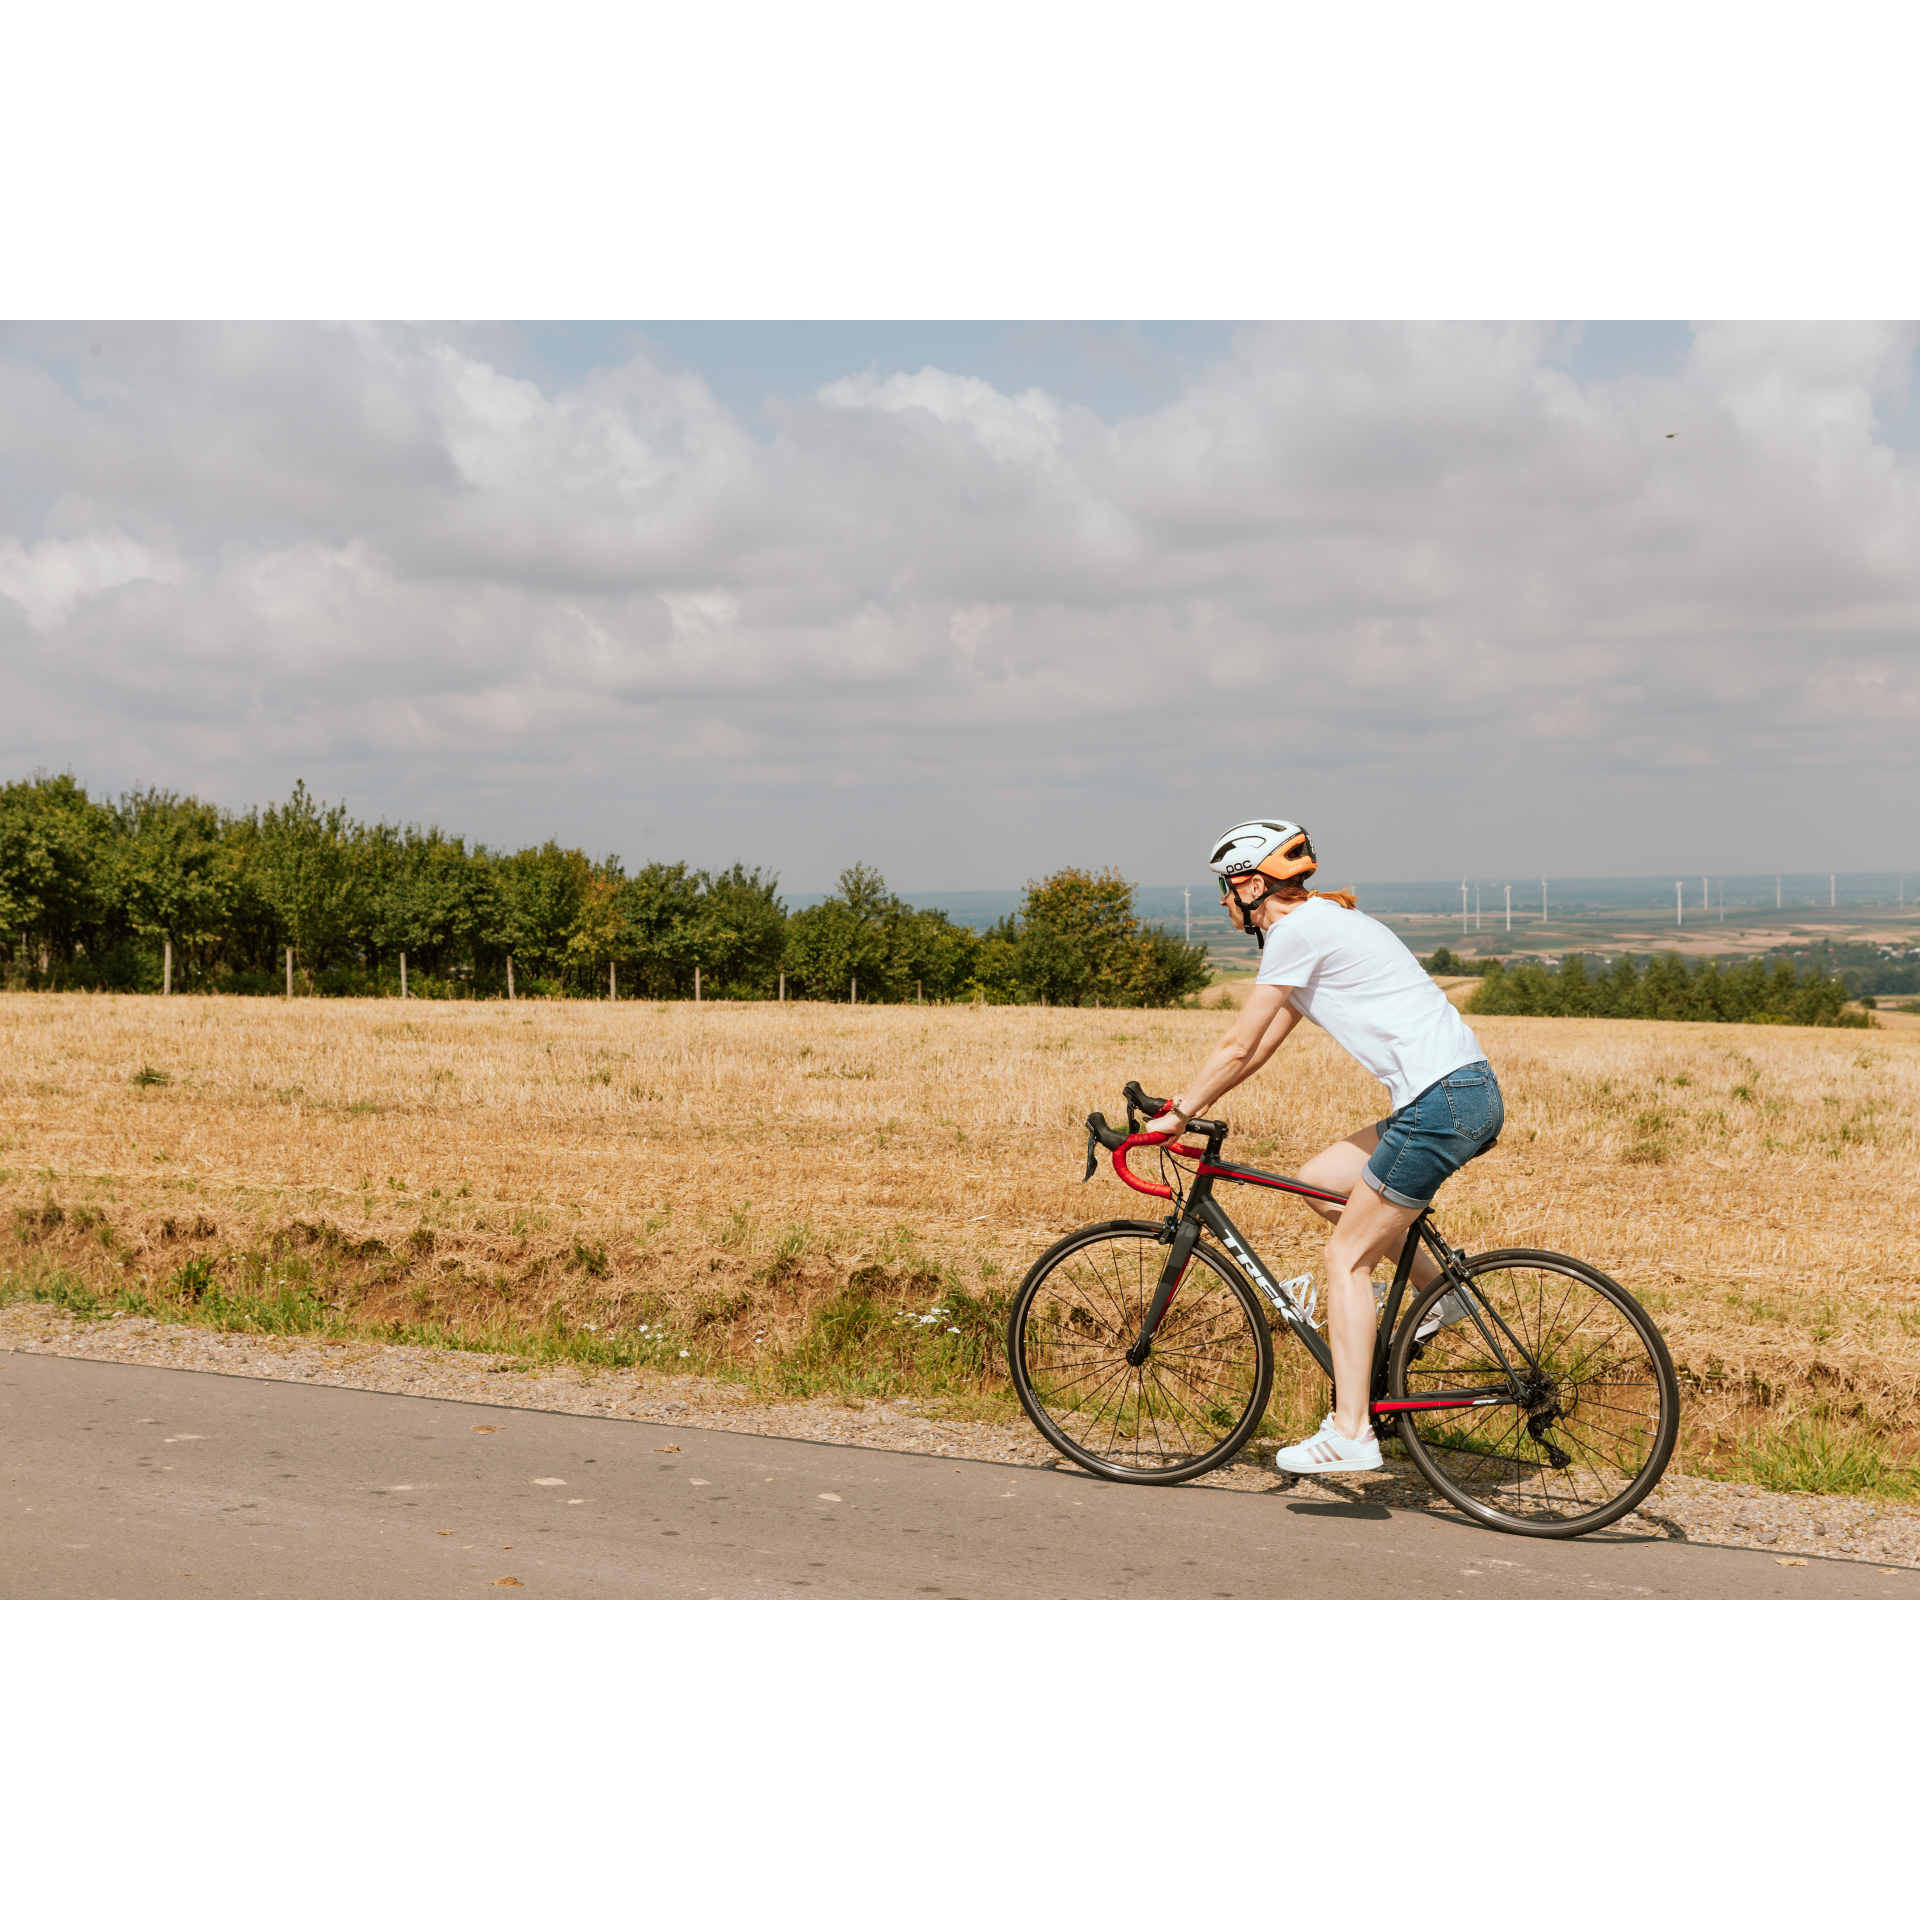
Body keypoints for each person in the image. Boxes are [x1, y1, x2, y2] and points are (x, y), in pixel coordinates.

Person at [1140, 819, 1503, 1472]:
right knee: (1323, 1178)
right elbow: (1262, 1045)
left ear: (1252, 885)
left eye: (1226, 888)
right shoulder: (1320, 927)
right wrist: (1190, 1105)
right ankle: (1438, 1296)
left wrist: (1180, 1114)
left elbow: (1237, 1043)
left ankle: (1350, 1431)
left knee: (1345, 1259)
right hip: (1460, 1093)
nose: (1224, 902)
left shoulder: (1297, 931)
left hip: (1438, 1105)